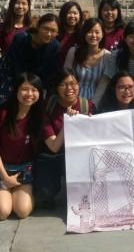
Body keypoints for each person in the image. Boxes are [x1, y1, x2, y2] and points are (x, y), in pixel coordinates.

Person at [34, 69, 94, 209]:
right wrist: (69, 123)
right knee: (44, 193)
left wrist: (88, 124)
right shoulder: (48, 106)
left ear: (79, 85)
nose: (69, 88)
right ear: (56, 87)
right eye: (63, 84)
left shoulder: (87, 106)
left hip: (78, 156)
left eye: (73, 83)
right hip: (53, 155)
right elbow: (54, 146)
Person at [0, 73, 40, 220]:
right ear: (15, 91)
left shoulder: (38, 114)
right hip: (0, 169)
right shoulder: (1, 114)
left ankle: (14, 194)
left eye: (34, 90)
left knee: (22, 211)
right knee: (2, 212)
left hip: (24, 169)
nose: (29, 94)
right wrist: (5, 178)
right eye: (24, 89)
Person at [0, 14, 60, 105]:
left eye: (53, 31)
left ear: (58, 33)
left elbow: (48, 73)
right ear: (38, 27)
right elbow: (16, 66)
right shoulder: (21, 39)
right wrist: (25, 87)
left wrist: (33, 89)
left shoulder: (55, 46)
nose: (49, 34)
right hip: (13, 80)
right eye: (45, 28)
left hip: (36, 85)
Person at [64, 18, 112, 103]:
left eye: (97, 32)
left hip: (95, 101)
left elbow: (103, 85)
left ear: (102, 34)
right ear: (84, 33)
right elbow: (65, 78)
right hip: (72, 99)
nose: (93, 35)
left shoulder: (107, 56)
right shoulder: (73, 52)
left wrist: (92, 105)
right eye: (89, 32)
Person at [105, 22, 134, 101]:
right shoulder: (115, 56)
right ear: (125, 39)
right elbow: (109, 82)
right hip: (118, 98)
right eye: (131, 36)